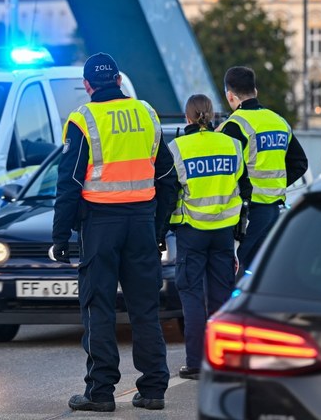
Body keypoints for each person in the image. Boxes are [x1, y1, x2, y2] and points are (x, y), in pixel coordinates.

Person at [50, 52, 177, 412]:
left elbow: (70, 181)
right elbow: (167, 178)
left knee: (98, 307)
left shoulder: (83, 118)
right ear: (119, 81)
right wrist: (158, 228)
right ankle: (153, 389)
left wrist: (61, 236)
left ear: (88, 85)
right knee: (144, 308)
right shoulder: (147, 113)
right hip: (141, 223)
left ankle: (101, 391)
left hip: (101, 225)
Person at [167, 94, 252, 380]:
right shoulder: (232, 145)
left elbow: (168, 193)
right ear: (212, 115)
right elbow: (245, 187)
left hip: (191, 231)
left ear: (187, 117)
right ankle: (223, 360)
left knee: (191, 296)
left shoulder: (177, 148)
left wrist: (160, 229)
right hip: (223, 233)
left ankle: (195, 362)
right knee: (221, 296)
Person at [219, 66, 308, 271]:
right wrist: (276, 184)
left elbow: (227, 171)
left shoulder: (234, 125)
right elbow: (300, 163)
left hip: (246, 213)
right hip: (273, 210)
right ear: (255, 91)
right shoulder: (279, 121)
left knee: (234, 268)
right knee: (262, 269)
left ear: (230, 96)